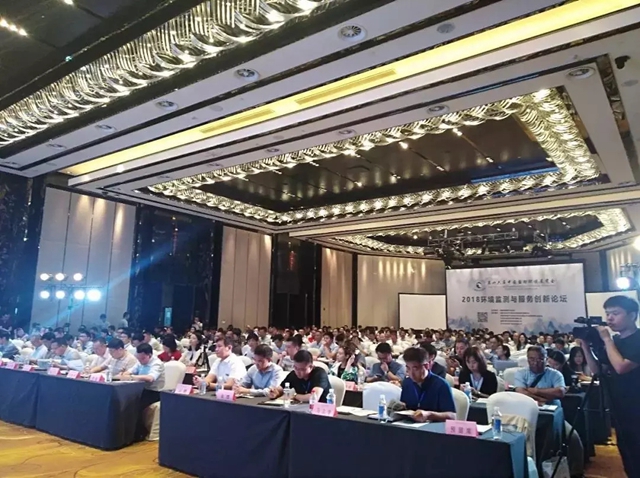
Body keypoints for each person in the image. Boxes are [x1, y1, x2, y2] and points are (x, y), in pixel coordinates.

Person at [579, 295, 640, 478]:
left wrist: (607, 340)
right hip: (619, 407)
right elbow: (598, 370)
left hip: (636, 407)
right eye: (607, 314)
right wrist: (585, 347)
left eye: (615, 313)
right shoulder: (616, 342)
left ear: (632, 315)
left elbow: (621, 367)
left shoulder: (637, 340)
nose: (610, 318)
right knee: (628, 454)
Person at [399, 347, 456, 422]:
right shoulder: (407, 382)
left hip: (433, 427)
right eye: (408, 368)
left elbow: (452, 416)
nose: (411, 374)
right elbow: (405, 407)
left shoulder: (441, 385)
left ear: (426, 366)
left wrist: (429, 415)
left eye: (415, 369)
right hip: (410, 425)